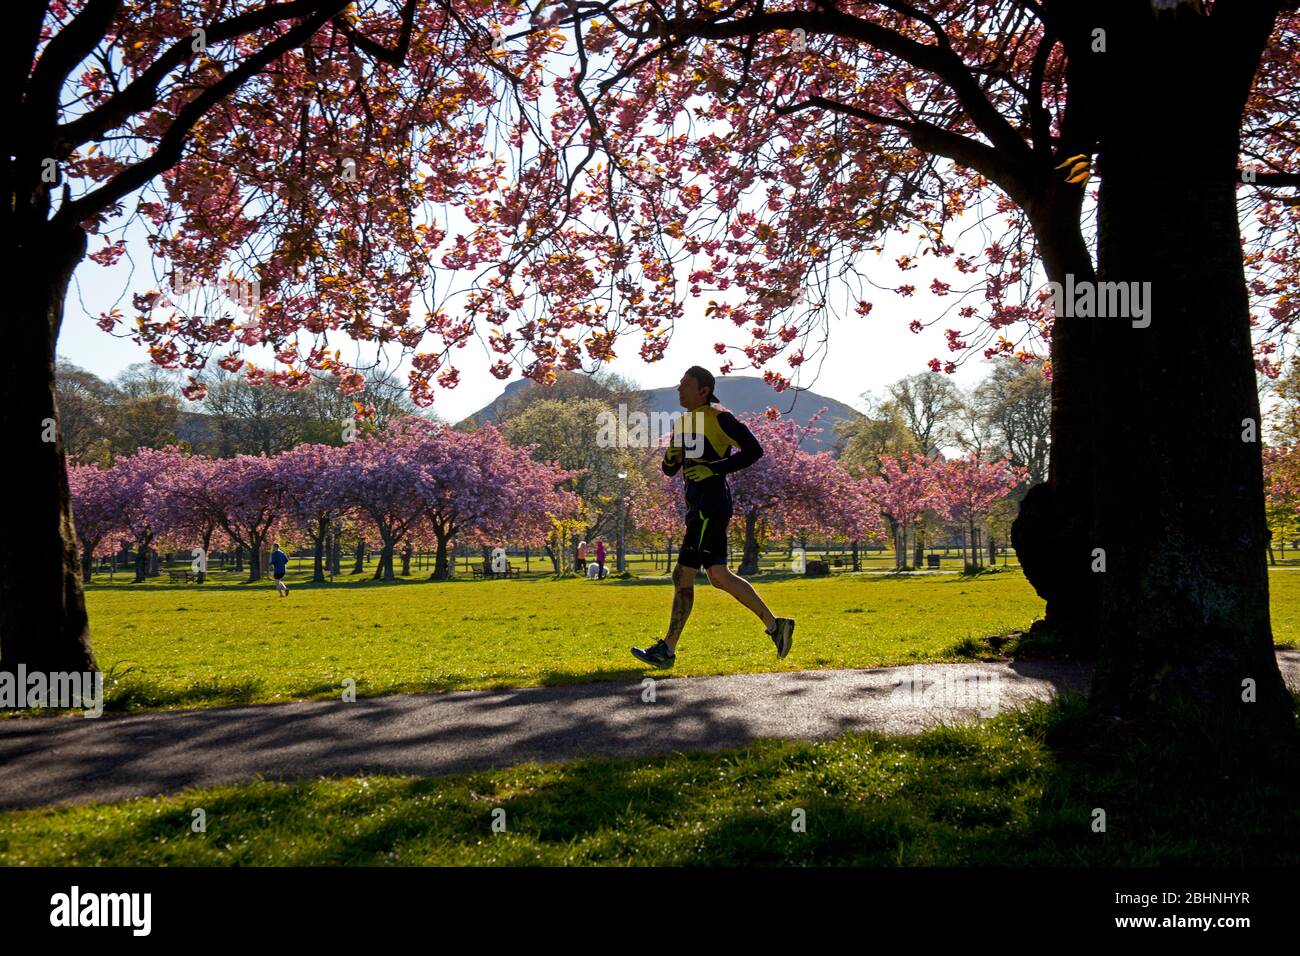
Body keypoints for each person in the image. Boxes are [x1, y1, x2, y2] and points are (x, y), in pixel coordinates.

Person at [632, 366, 794, 667]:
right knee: (719, 576)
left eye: (685, 384)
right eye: (679, 383)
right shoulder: (683, 423)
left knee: (682, 575)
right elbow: (669, 470)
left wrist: (714, 468)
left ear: (703, 391)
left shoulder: (719, 417)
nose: (679, 388)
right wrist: (672, 455)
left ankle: (667, 649)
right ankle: (777, 626)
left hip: (711, 505)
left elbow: (753, 450)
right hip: (698, 506)